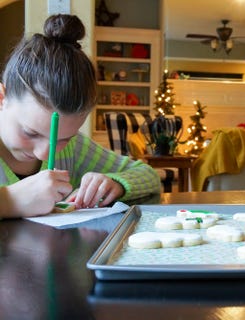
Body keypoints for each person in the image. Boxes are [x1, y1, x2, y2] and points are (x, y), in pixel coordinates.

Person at [0, 14, 161, 218]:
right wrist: (9, 200)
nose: (43, 153)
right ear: (1, 99)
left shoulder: (75, 149)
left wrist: (115, 183)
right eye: (30, 133)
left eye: (63, 139)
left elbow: (149, 176)